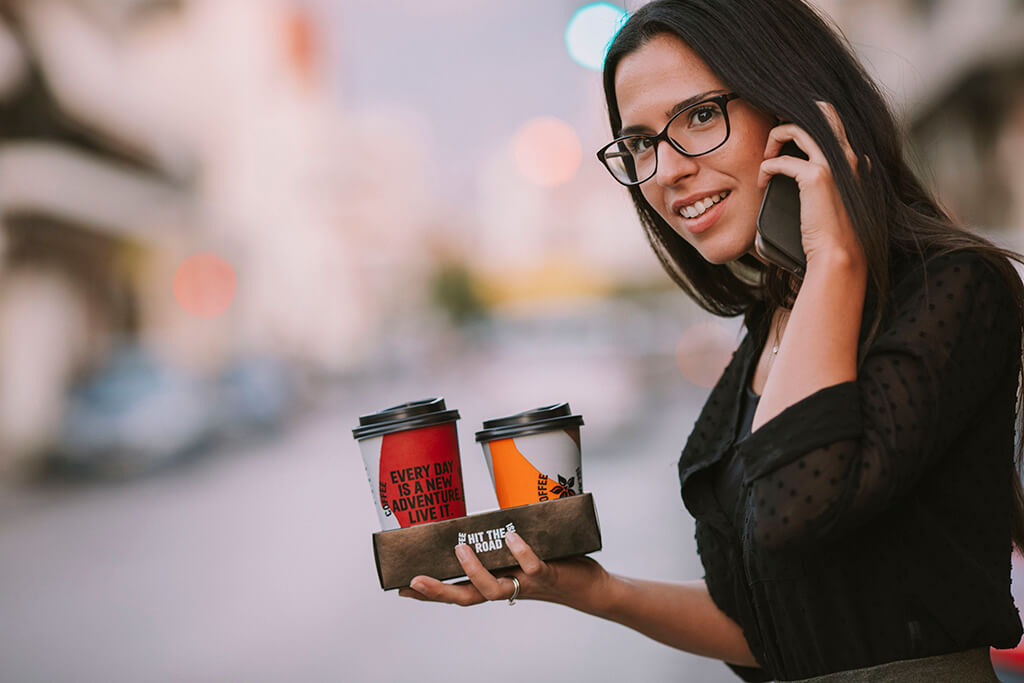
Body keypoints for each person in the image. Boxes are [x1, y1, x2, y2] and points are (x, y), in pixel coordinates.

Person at [399, 1, 1024, 679]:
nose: (666, 170)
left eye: (698, 115)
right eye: (639, 142)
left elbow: (793, 507)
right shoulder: (770, 327)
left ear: (796, 110)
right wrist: (593, 589)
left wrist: (835, 258)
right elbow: (771, 629)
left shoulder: (955, 290)